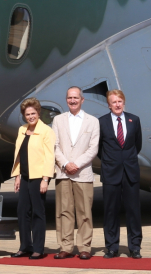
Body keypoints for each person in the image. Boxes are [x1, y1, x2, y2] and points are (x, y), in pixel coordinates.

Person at [52, 86, 100, 260]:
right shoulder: (58, 120)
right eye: (69, 98)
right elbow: (55, 146)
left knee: (84, 212)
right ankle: (66, 246)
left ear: (82, 100)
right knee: (64, 211)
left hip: (83, 173)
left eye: (75, 98)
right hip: (64, 172)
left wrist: (76, 164)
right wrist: (65, 164)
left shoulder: (92, 121)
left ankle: (84, 247)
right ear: (66, 100)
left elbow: (93, 148)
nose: (72, 101)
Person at [99, 89, 143, 259]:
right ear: (109, 105)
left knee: (133, 210)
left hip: (130, 172)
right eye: (113, 102)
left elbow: (137, 145)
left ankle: (135, 247)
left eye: (119, 101)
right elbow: (98, 149)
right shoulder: (102, 122)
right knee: (110, 211)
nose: (117, 105)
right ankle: (111, 247)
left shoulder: (134, 120)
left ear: (123, 103)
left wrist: (126, 159)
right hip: (111, 172)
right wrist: (112, 161)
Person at [9, 97, 55, 260]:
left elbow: (50, 157)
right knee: (22, 212)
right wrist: (17, 176)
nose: (30, 116)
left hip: (38, 178)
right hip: (25, 177)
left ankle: (38, 248)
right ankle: (25, 246)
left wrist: (45, 179)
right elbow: (19, 155)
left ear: (38, 113)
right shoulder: (22, 130)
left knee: (38, 213)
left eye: (33, 113)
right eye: (27, 114)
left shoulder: (46, 131)